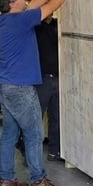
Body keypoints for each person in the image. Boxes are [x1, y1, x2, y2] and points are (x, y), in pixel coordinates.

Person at [0, 0, 74, 186]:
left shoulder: (4, 19)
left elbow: (35, 4)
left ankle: (7, 181)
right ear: (12, 3)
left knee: (9, 135)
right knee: (34, 134)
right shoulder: (21, 20)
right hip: (21, 88)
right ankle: (39, 182)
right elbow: (51, 6)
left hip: (5, 86)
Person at [34, 14, 62, 161]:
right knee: (35, 118)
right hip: (42, 79)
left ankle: (54, 151)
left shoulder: (58, 24)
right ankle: (31, 154)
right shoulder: (36, 26)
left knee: (56, 117)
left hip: (59, 77)